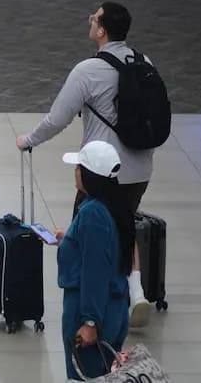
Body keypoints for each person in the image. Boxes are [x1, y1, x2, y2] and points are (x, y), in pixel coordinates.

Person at [15, 1, 156, 328]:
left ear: (102, 30)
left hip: (102, 170)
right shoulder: (144, 61)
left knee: (90, 234)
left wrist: (29, 140)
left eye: (95, 17)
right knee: (123, 223)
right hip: (141, 167)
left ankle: (96, 310)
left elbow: (58, 118)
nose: (90, 19)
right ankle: (135, 292)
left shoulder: (88, 70)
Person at [57, 140, 134, 381]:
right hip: (114, 308)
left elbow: (95, 271)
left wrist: (90, 321)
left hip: (91, 312)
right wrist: (69, 240)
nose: (75, 171)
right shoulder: (114, 207)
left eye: (79, 167)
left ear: (91, 175)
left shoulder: (93, 214)